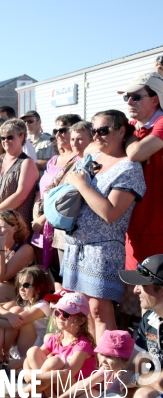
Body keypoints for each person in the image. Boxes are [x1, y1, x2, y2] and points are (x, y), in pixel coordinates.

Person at [62, 110, 146, 342]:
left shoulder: (130, 168)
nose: (97, 136)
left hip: (103, 250)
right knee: (84, 309)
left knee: (100, 310)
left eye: (103, 130)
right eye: (94, 131)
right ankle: (93, 366)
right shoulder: (94, 159)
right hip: (75, 245)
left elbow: (111, 213)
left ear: (121, 131)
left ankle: (109, 370)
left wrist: (81, 183)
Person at [118, 72, 163, 304]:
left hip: (157, 226)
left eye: (136, 97)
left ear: (155, 99)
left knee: (154, 295)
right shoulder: (135, 128)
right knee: (136, 297)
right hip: (134, 224)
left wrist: (127, 136)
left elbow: (136, 154)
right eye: (127, 96)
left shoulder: (162, 123)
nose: (129, 102)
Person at [46, 121, 93, 288]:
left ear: (92, 139)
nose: (74, 143)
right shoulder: (72, 164)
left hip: (85, 236)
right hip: (63, 235)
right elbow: (50, 187)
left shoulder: (95, 164)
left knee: (84, 288)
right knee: (67, 284)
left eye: (80, 139)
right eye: (72, 139)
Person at [22, 292, 97, 397]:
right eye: (57, 313)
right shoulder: (57, 338)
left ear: (81, 321)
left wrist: (36, 378)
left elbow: (67, 374)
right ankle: (50, 396)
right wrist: (27, 374)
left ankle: (22, 394)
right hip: (53, 385)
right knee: (33, 350)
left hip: (73, 390)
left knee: (54, 362)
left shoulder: (82, 345)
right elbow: (29, 358)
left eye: (66, 314)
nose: (60, 317)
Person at [0, 119, 38, 246]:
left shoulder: (27, 163)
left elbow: (21, 194)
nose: (5, 141)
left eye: (10, 137)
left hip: (14, 227)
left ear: (22, 137)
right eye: (3, 138)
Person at [30, 115, 79, 268]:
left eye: (63, 130)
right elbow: (41, 190)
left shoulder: (79, 160)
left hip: (59, 225)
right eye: (55, 130)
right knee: (43, 274)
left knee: (58, 273)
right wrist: (35, 216)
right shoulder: (53, 159)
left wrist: (42, 219)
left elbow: (67, 197)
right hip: (40, 223)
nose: (58, 134)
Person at [115, 254, 163, 398]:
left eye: (142, 285)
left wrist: (136, 380)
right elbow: (131, 370)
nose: (135, 290)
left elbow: (160, 382)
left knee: (143, 395)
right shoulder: (149, 318)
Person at [0, 266, 51, 371]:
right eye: (19, 285)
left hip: (33, 347)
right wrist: (8, 315)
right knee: (10, 312)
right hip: (20, 344)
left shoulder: (43, 305)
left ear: (39, 288)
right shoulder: (24, 301)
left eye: (26, 285)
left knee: (16, 313)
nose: (21, 288)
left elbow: (18, 323)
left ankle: (1, 353)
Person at [57, 330, 134, 398]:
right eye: (101, 354)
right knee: (86, 394)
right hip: (107, 396)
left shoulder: (125, 374)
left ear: (125, 359)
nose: (103, 360)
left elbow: (110, 393)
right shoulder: (107, 368)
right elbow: (84, 384)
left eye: (109, 357)